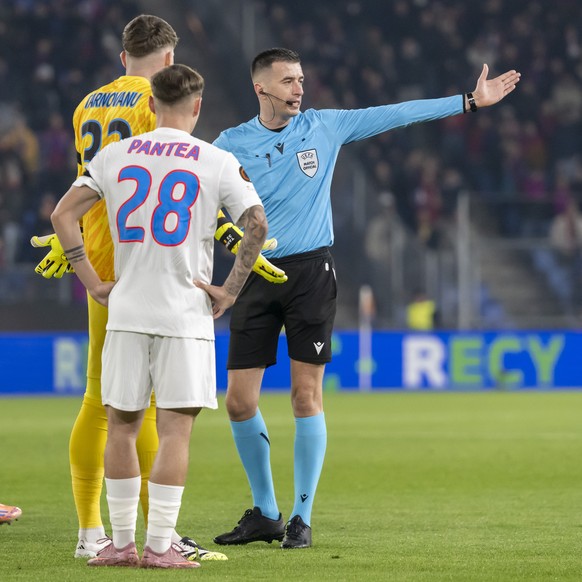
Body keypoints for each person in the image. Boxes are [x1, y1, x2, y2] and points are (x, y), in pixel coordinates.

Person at [211, 47, 520, 549]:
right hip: (253, 273)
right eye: (288, 81)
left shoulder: (324, 126)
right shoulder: (228, 144)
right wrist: (228, 246)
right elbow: (201, 200)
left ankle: (301, 518)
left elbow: (395, 115)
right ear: (260, 88)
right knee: (239, 402)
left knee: (304, 395)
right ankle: (265, 511)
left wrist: (467, 101)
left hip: (311, 271)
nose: (298, 89)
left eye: (301, 79)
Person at [31, 15, 284, 562]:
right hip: (172, 281)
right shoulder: (165, 114)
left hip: (109, 274)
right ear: (176, 76)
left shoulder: (88, 106)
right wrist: (231, 259)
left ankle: (96, 534)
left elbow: (77, 199)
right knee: (161, 419)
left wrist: (77, 259)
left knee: (102, 404)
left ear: (123, 57)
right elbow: (187, 184)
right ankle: (160, 536)